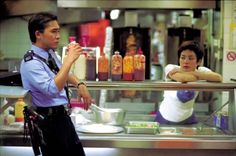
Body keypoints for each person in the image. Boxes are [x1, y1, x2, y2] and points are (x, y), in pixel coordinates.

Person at [20, 12, 93, 156]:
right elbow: (52, 89)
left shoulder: (50, 54)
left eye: (58, 31)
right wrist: (69, 61)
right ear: (38, 34)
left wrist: (80, 85)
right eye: (53, 31)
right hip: (49, 123)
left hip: (63, 118)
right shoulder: (31, 63)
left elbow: (63, 73)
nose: (58, 35)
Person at [155, 40, 222, 125]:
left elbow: (218, 78)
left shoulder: (200, 70)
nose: (186, 61)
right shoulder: (170, 68)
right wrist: (200, 75)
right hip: (165, 117)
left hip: (188, 118)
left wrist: (194, 73)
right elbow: (183, 79)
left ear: (198, 61)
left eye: (190, 58)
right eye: (182, 57)